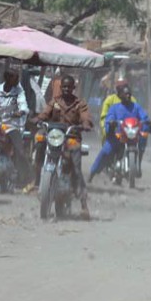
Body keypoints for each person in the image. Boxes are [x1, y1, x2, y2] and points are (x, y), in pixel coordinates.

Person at [32, 75, 93, 219]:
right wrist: (38, 119)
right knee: (40, 141)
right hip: (55, 136)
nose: (66, 89)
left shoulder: (79, 103)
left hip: (71, 137)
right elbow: (45, 113)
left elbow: (85, 116)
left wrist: (85, 124)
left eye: (69, 87)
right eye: (64, 86)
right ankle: (37, 177)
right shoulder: (55, 101)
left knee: (77, 168)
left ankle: (84, 203)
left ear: (73, 88)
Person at [89, 84, 149, 182]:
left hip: (131, 135)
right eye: (125, 94)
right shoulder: (114, 108)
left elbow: (144, 117)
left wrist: (146, 122)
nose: (128, 96)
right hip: (117, 136)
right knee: (105, 152)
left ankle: (137, 167)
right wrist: (111, 122)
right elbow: (109, 117)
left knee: (142, 143)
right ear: (120, 95)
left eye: (129, 94)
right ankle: (92, 172)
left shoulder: (136, 107)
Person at [0, 69, 33, 185]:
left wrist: (21, 111)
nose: (17, 80)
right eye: (15, 78)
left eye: (17, 78)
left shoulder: (18, 91)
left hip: (11, 125)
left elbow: (23, 105)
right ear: (7, 78)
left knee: (20, 151)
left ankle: (25, 178)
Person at [99, 78, 136, 143]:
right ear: (117, 89)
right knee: (106, 151)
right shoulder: (110, 100)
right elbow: (104, 118)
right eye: (121, 88)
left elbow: (138, 115)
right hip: (112, 134)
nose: (124, 90)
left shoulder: (132, 100)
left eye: (125, 87)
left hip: (129, 133)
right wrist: (106, 130)